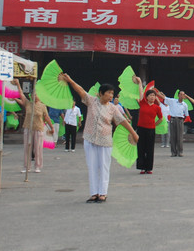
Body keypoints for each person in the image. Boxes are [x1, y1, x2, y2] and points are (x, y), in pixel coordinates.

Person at [59, 73, 138, 203]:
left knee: (104, 167)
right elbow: (80, 90)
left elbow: (123, 121)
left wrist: (134, 133)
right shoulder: (91, 101)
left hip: (105, 141)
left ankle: (103, 193)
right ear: (101, 93)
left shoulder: (112, 108)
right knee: (92, 166)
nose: (111, 96)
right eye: (109, 93)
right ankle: (94, 193)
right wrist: (70, 80)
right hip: (90, 139)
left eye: (112, 93)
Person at [15, 85, 53, 174]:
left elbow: (46, 117)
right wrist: (18, 84)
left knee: (38, 148)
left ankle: (37, 166)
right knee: (27, 148)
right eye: (33, 94)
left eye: (36, 95)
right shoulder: (28, 103)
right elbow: (21, 95)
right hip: (28, 128)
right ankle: (26, 166)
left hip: (38, 128)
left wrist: (51, 127)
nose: (35, 96)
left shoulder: (43, 106)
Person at [134, 77, 163, 174]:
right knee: (141, 148)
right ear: (147, 97)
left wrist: (154, 124)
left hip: (151, 129)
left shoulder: (157, 108)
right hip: (141, 129)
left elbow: (161, 118)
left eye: (154, 96)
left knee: (150, 149)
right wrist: (140, 83)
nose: (152, 97)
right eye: (150, 95)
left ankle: (149, 168)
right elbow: (141, 92)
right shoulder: (143, 103)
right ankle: (142, 167)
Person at [161, 90, 190, 157]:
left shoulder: (185, 105)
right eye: (181, 94)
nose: (182, 96)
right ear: (178, 95)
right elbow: (164, 98)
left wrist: (184, 121)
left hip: (180, 120)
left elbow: (186, 114)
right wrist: (157, 93)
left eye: (183, 94)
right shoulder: (173, 101)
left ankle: (180, 151)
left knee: (179, 137)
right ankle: (173, 152)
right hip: (173, 119)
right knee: (173, 136)